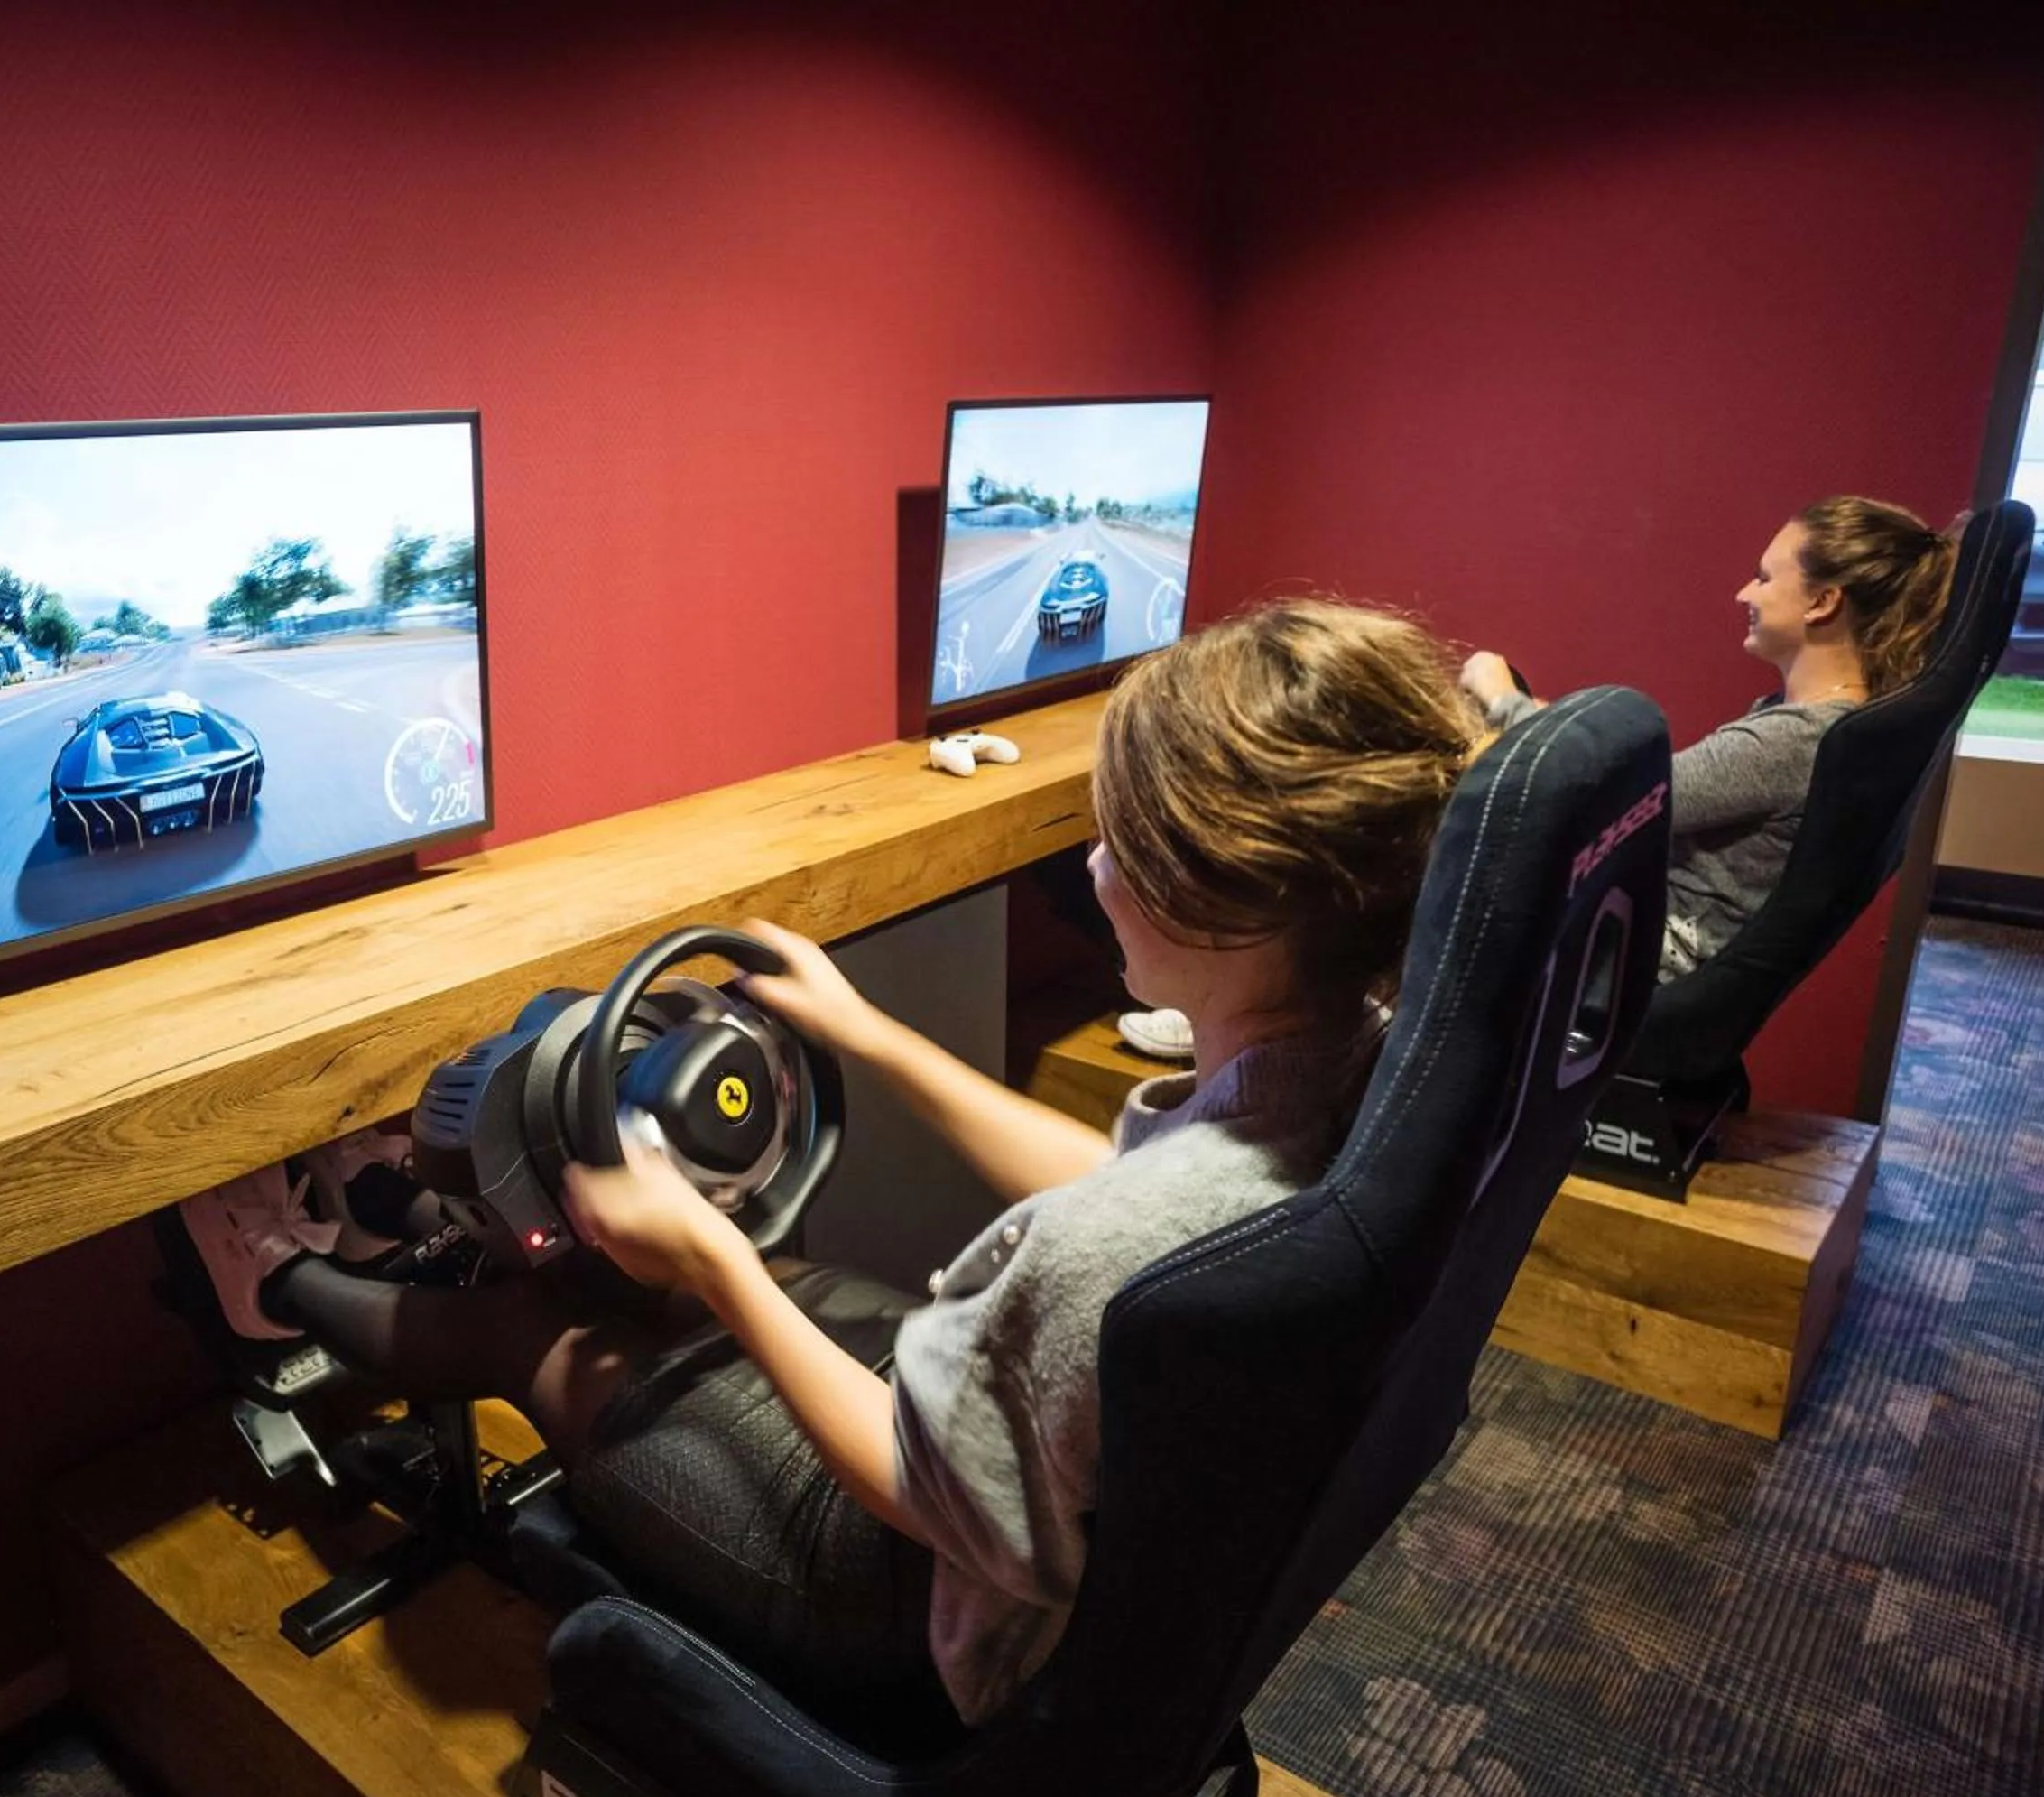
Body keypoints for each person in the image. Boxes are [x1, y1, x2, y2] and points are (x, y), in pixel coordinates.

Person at [178, 600, 1485, 1734]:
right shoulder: (1356, 1071)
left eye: (1120, 845)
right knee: (656, 1288)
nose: (1092, 867)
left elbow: (921, 1489)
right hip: (1095, 1533)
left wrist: (718, 1259)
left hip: (930, 1610)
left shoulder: (1113, 1248)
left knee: (548, 1331)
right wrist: (867, 1034)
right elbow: (1115, 1173)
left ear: (1223, 900)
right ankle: (385, 1210)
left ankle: (274, 1279)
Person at [1459, 496, 1958, 981]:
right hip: (1632, 931)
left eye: (1764, 578)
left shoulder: (1796, 740)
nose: (1745, 594)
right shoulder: (1821, 726)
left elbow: (1608, 801)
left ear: (1822, 602)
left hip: (1637, 961)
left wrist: (1503, 699)